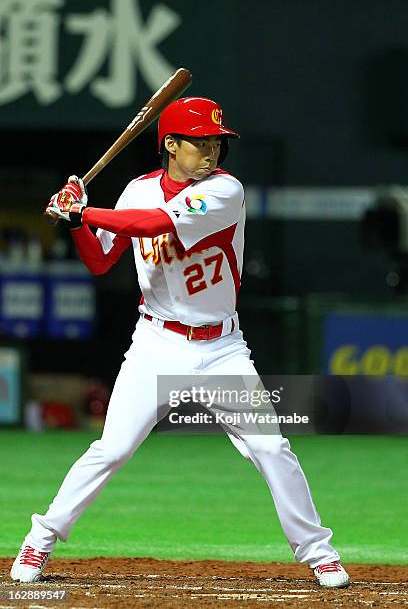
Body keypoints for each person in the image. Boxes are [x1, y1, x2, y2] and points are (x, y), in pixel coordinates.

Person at [11, 97, 349, 588]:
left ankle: (319, 552)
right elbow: (100, 261)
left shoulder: (224, 191)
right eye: (200, 142)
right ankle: (40, 540)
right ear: (170, 144)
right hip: (156, 342)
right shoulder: (136, 190)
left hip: (222, 349)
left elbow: (154, 224)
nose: (211, 151)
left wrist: (87, 209)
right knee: (112, 449)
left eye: (216, 142)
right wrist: (77, 222)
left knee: (271, 448)